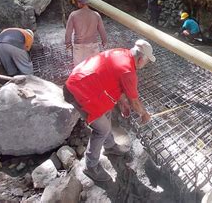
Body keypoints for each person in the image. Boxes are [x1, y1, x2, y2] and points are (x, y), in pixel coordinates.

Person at [65, 39, 155, 182]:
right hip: (78, 91)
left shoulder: (122, 52)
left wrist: (122, 103)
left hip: (82, 82)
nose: (146, 64)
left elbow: (111, 77)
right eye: (147, 61)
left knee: (107, 111)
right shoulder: (128, 71)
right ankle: (91, 166)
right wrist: (144, 114)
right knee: (101, 129)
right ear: (140, 59)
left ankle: (110, 146)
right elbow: (135, 102)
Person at [65, 0, 108, 66]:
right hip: (93, 46)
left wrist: (68, 44)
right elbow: (102, 31)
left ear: (78, 2)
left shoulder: (73, 15)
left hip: (79, 48)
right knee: (94, 68)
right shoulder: (96, 15)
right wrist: (104, 42)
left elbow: (68, 32)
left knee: (80, 70)